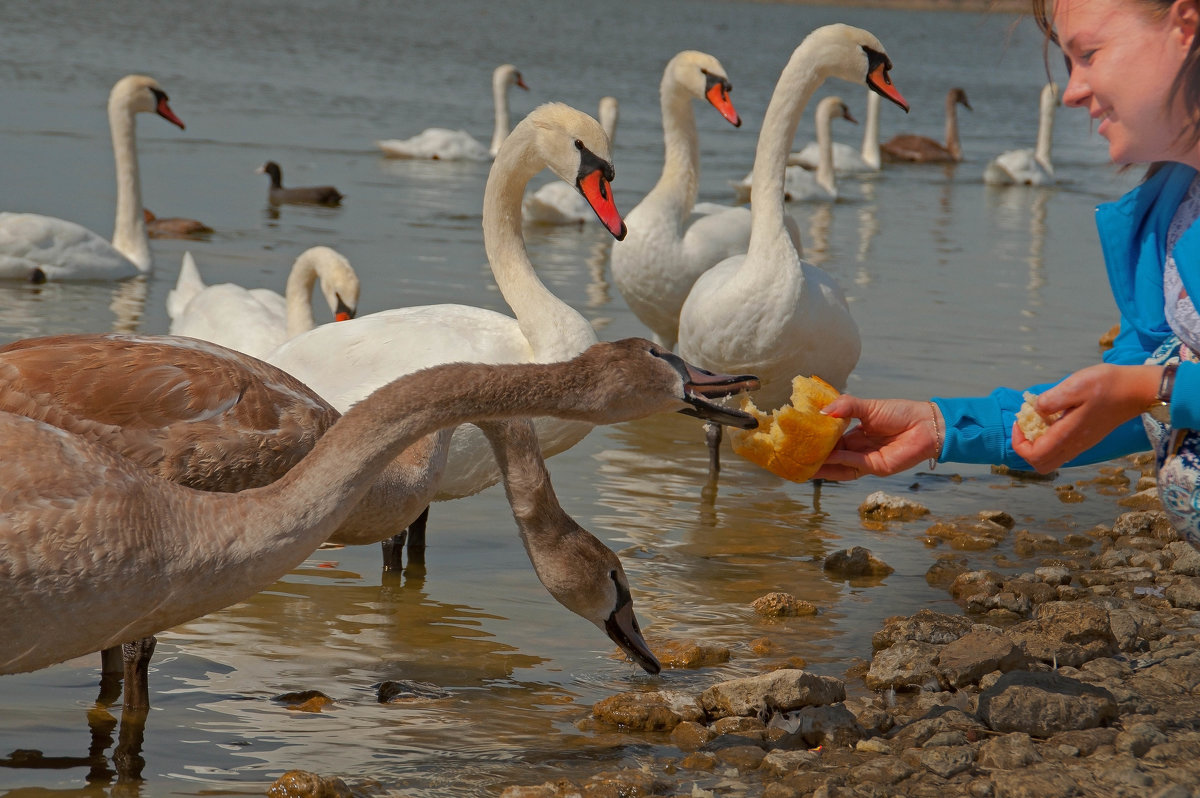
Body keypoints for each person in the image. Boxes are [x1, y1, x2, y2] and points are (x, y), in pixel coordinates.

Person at [815, 0, 1200, 546]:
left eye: (1089, 54)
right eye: (1069, 65)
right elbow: (1116, 405)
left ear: (1186, 28)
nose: (1072, 91)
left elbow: (1147, 389)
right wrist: (940, 427)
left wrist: (1151, 387)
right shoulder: (1164, 216)